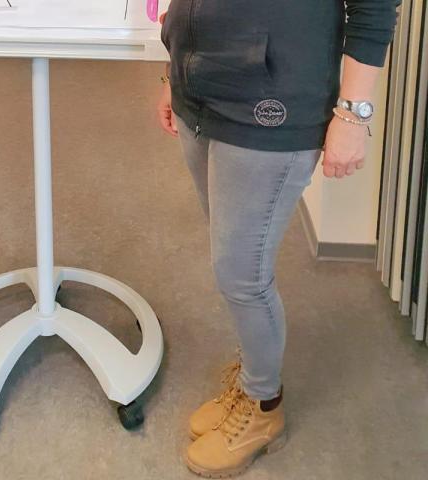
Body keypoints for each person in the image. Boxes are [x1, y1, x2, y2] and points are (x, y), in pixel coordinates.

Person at [157, 1, 400, 477]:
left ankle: (263, 407)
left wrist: (352, 115)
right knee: (230, 257)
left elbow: (373, 8)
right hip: (197, 87)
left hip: (274, 101)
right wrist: (172, 68)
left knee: (241, 275)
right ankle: (250, 378)